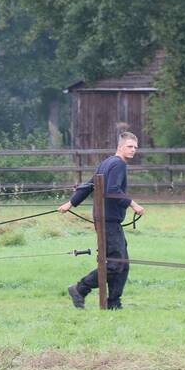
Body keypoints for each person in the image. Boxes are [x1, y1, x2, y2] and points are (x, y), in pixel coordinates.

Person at [57, 132, 145, 310]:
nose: (133, 150)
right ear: (120, 146)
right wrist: (133, 204)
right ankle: (80, 289)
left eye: (135, 147)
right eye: (130, 146)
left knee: (123, 263)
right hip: (109, 221)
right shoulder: (118, 164)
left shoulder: (105, 163)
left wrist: (71, 203)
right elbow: (112, 190)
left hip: (106, 220)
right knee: (114, 264)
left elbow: (90, 186)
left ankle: (113, 303)